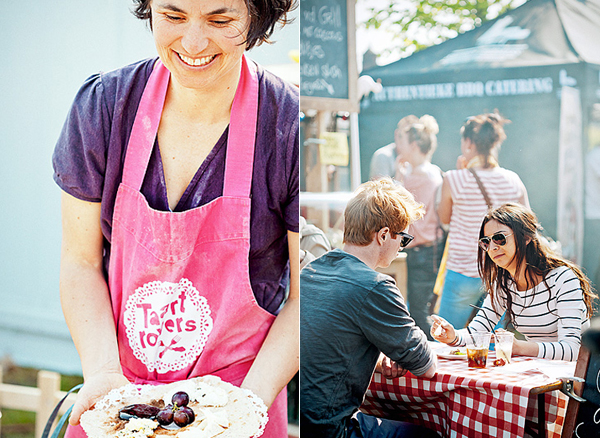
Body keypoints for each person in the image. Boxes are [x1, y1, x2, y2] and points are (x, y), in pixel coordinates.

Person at [52, 1, 299, 437]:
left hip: (240, 400)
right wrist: (104, 374)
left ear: (256, 18)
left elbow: (305, 297)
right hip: (119, 399)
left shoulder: (288, 127)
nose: (193, 42)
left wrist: (247, 408)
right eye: (173, 16)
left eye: (220, 20)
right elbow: (81, 262)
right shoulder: (105, 107)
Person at [300, 178, 438, 438]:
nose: (401, 247)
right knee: (428, 434)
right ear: (384, 235)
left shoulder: (311, 271)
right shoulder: (375, 286)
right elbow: (426, 365)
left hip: (301, 424)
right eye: (404, 239)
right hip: (330, 430)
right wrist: (395, 346)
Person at [431, 203, 597, 361]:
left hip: (574, 380)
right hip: (537, 371)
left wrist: (520, 347)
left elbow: (573, 350)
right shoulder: (503, 284)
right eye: (486, 242)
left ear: (526, 237)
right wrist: (452, 336)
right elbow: (477, 332)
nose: (492, 248)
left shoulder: (562, 279)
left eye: (499, 238)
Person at [436, 112, 529, 329]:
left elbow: (443, 218)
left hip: (461, 271)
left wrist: (461, 175)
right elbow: (527, 225)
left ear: (468, 143)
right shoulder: (513, 180)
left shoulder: (454, 178)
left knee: (448, 338)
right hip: (501, 272)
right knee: (493, 344)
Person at [395, 115, 444, 339]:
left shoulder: (418, 175)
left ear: (414, 145)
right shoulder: (430, 171)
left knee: (418, 312)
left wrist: (398, 175)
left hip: (421, 251)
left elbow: (395, 203)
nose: (397, 146)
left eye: (401, 141)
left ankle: (428, 356)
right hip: (428, 250)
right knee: (422, 309)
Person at [369, 115, 419, 180]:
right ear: (396, 135)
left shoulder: (416, 159)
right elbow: (381, 188)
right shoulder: (383, 156)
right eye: (401, 136)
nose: (403, 142)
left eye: (411, 138)